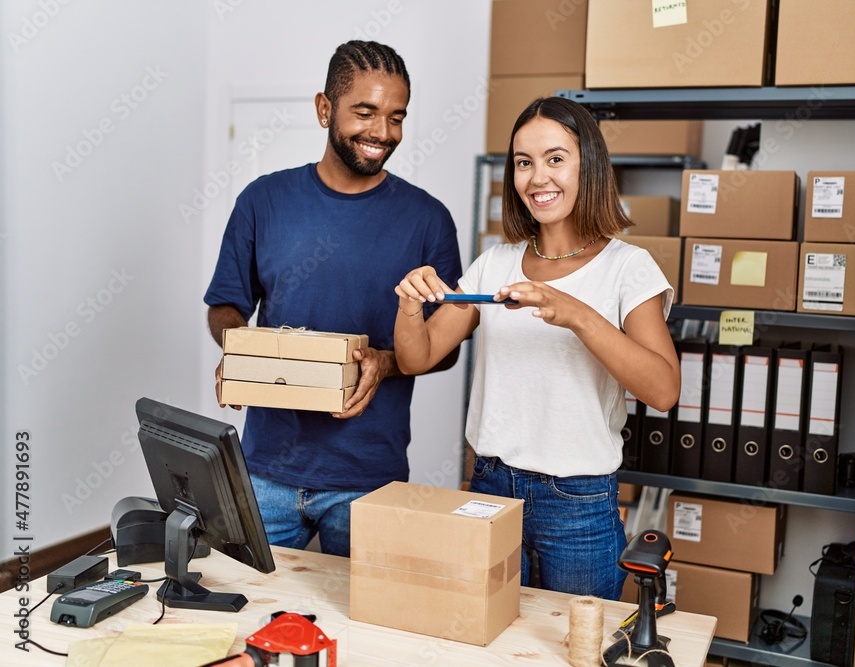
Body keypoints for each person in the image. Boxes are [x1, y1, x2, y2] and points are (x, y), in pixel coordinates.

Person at [393, 96, 681, 600]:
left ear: (587, 165)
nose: (537, 178)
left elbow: (663, 390)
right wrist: (410, 305)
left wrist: (575, 314)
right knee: (490, 641)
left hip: (577, 500)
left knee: (577, 646)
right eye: (524, 163)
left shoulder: (628, 268)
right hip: (490, 489)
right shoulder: (494, 264)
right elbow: (417, 357)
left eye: (555, 158)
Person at [204, 40, 462, 557]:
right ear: (325, 108)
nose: (382, 133)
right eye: (364, 112)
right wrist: (240, 350)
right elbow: (226, 305)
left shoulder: (427, 219)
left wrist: (385, 361)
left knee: (366, 627)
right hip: (266, 471)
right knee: (251, 614)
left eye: (396, 117)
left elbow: (446, 346)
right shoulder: (263, 201)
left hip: (367, 475)